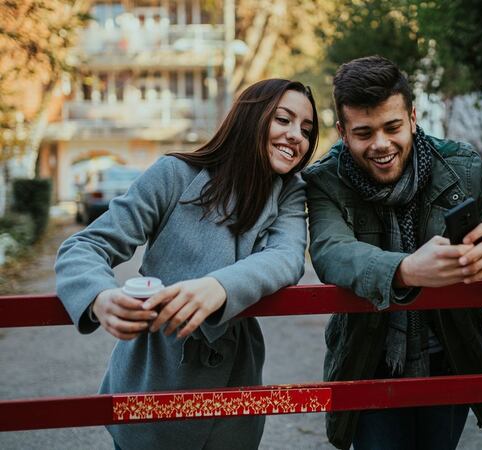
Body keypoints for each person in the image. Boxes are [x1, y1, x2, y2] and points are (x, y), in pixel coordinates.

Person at [54, 79, 318, 450]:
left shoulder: (291, 192)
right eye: (284, 120)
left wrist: (219, 287)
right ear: (250, 117)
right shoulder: (173, 175)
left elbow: (287, 257)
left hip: (235, 386)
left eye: (306, 131)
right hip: (154, 376)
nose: (296, 137)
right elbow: (86, 244)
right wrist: (99, 296)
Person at [302, 55, 482, 450]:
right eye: (364, 133)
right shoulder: (325, 180)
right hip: (369, 362)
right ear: (342, 132)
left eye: (393, 127)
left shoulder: (462, 167)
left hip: (452, 358)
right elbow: (331, 251)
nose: (381, 144)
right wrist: (406, 269)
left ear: (413, 117)